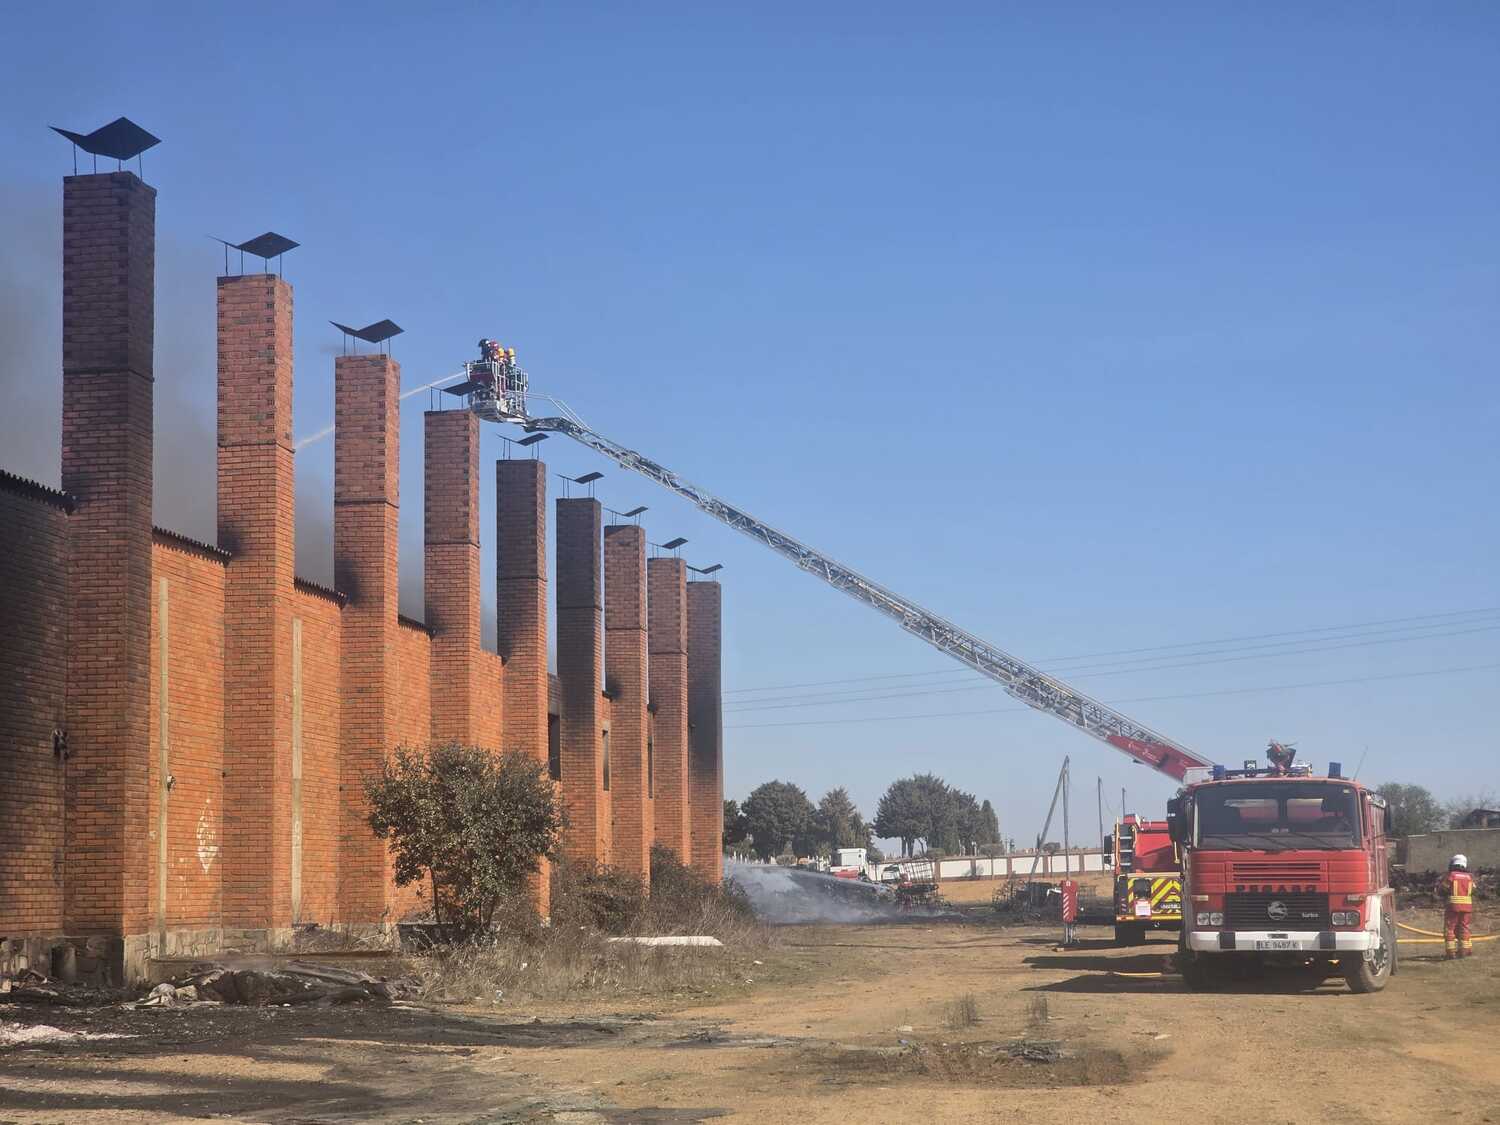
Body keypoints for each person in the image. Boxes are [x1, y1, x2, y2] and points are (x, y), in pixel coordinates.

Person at [1439, 853, 1475, 960]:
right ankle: (1465, 951)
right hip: (1467, 907)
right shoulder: (1469, 877)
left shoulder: (1451, 876)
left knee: (1450, 928)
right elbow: (1474, 890)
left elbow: (1443, 889)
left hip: (1453, 907)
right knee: (1464, 928)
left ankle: (1451, 953)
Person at [1059, 875, 1079, 947]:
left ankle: (1068, 939)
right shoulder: (1070, 892)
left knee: (1069, 923)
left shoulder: (1069, 893)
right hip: (1069, 913)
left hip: (1069, 913)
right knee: (1068, 923)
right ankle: (1068, 939)